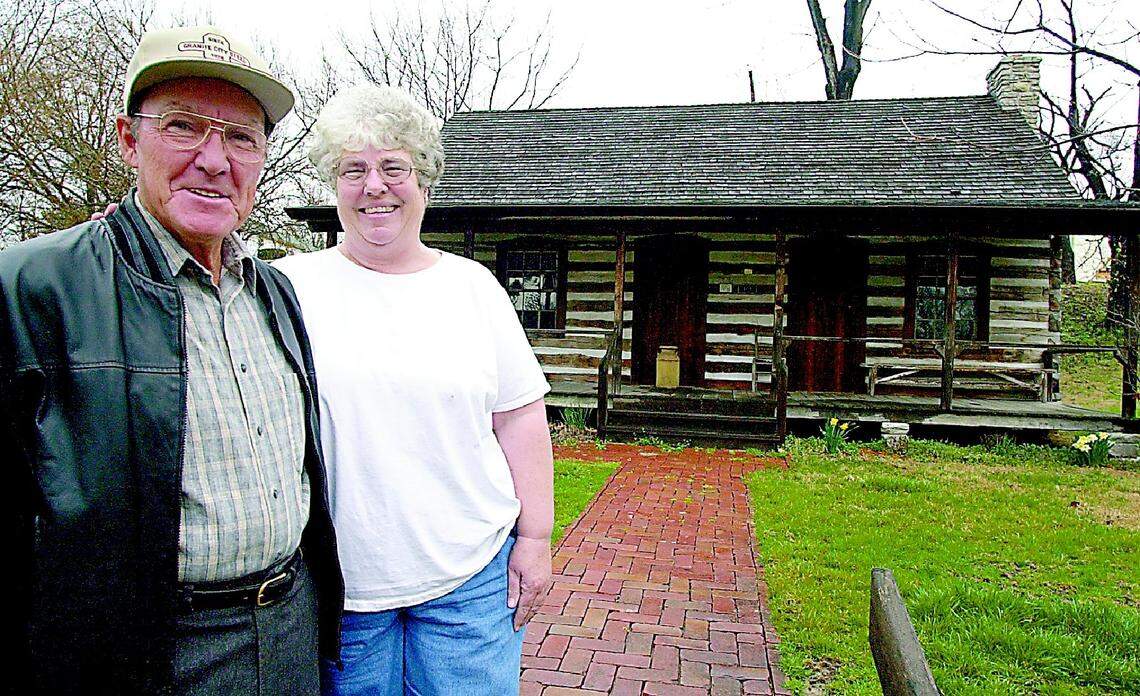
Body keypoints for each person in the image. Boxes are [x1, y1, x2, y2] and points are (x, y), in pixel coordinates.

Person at [0, 25, 343, 695]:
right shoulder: (34, 287)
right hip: (146, 654)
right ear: (130, 139)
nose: (215, 161)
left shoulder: (275, 290)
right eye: (184, 127)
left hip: (291, 627)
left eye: (241, 138)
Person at [274, 84, 554, 696]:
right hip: (340, 585)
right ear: (334, 184)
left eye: (393, 167)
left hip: (470, 578)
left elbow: (521, 419)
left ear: (423, 178)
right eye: (354, 169)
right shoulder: (287, 287)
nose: (374, 186)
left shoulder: (474, 288)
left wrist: (534, 539)